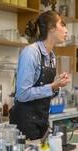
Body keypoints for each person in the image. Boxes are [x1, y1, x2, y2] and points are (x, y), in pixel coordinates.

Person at [9, 10, 71, 140]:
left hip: (41, 122)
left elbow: (47, 92)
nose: (66, 30)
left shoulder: (52, 55)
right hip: (24, 124)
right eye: (62, 25)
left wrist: (57, 85)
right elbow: (22, 94)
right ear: (51, 28)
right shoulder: (31, 52)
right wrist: (51, 86)